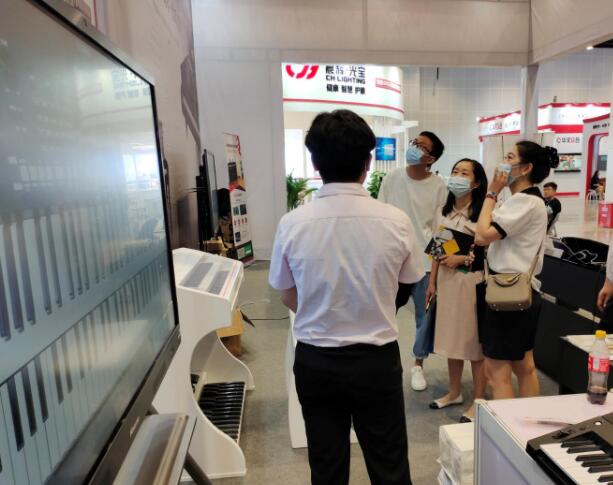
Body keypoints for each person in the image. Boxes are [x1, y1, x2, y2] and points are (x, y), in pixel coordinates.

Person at [269, 110, 424, 485]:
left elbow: (287, 293)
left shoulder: (292, 223)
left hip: (316, 359)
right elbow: (407, 285)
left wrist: (321, 309)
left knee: (327, 467)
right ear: (368, 162)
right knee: (389, 466)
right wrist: (373, 305)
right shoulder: (396, 220)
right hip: (377, 360)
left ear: (314, 161)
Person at [475, 141, 559, 399]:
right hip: (522, 291)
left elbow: (482, 235)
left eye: (510, 157)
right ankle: (528, 421)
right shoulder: (530, 201)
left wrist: (491, 193)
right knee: (524, 365)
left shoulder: (524, 201)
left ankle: (508, 425)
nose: (503, 162)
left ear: (526, 168)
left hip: (507, 293)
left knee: (496, 372)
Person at [378, 131, 447, 391]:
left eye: (422, 146)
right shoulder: (392, 178)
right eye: (414, 142)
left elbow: (441, 229)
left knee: (425, 316)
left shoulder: (439, 186)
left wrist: (439, 266)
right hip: (392, 262)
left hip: (425, 264)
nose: (415, 147)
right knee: (384, 314)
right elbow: (379, 216)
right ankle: (384, 362)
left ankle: (418, 364)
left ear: (431, 158)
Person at [426, 159, 487, 422]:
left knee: (473, 344)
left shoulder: (484, 213)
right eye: (454, 171)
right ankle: (454, 392)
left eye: (464, 173)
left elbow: (490, 251)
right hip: (446, 283)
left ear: (476, 182)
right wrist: (432, 281)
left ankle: (479, 400)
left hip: (471, 283)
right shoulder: (443, 211)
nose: (457, 176)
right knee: (451, 339)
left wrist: (462, 259)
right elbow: (437, 249)